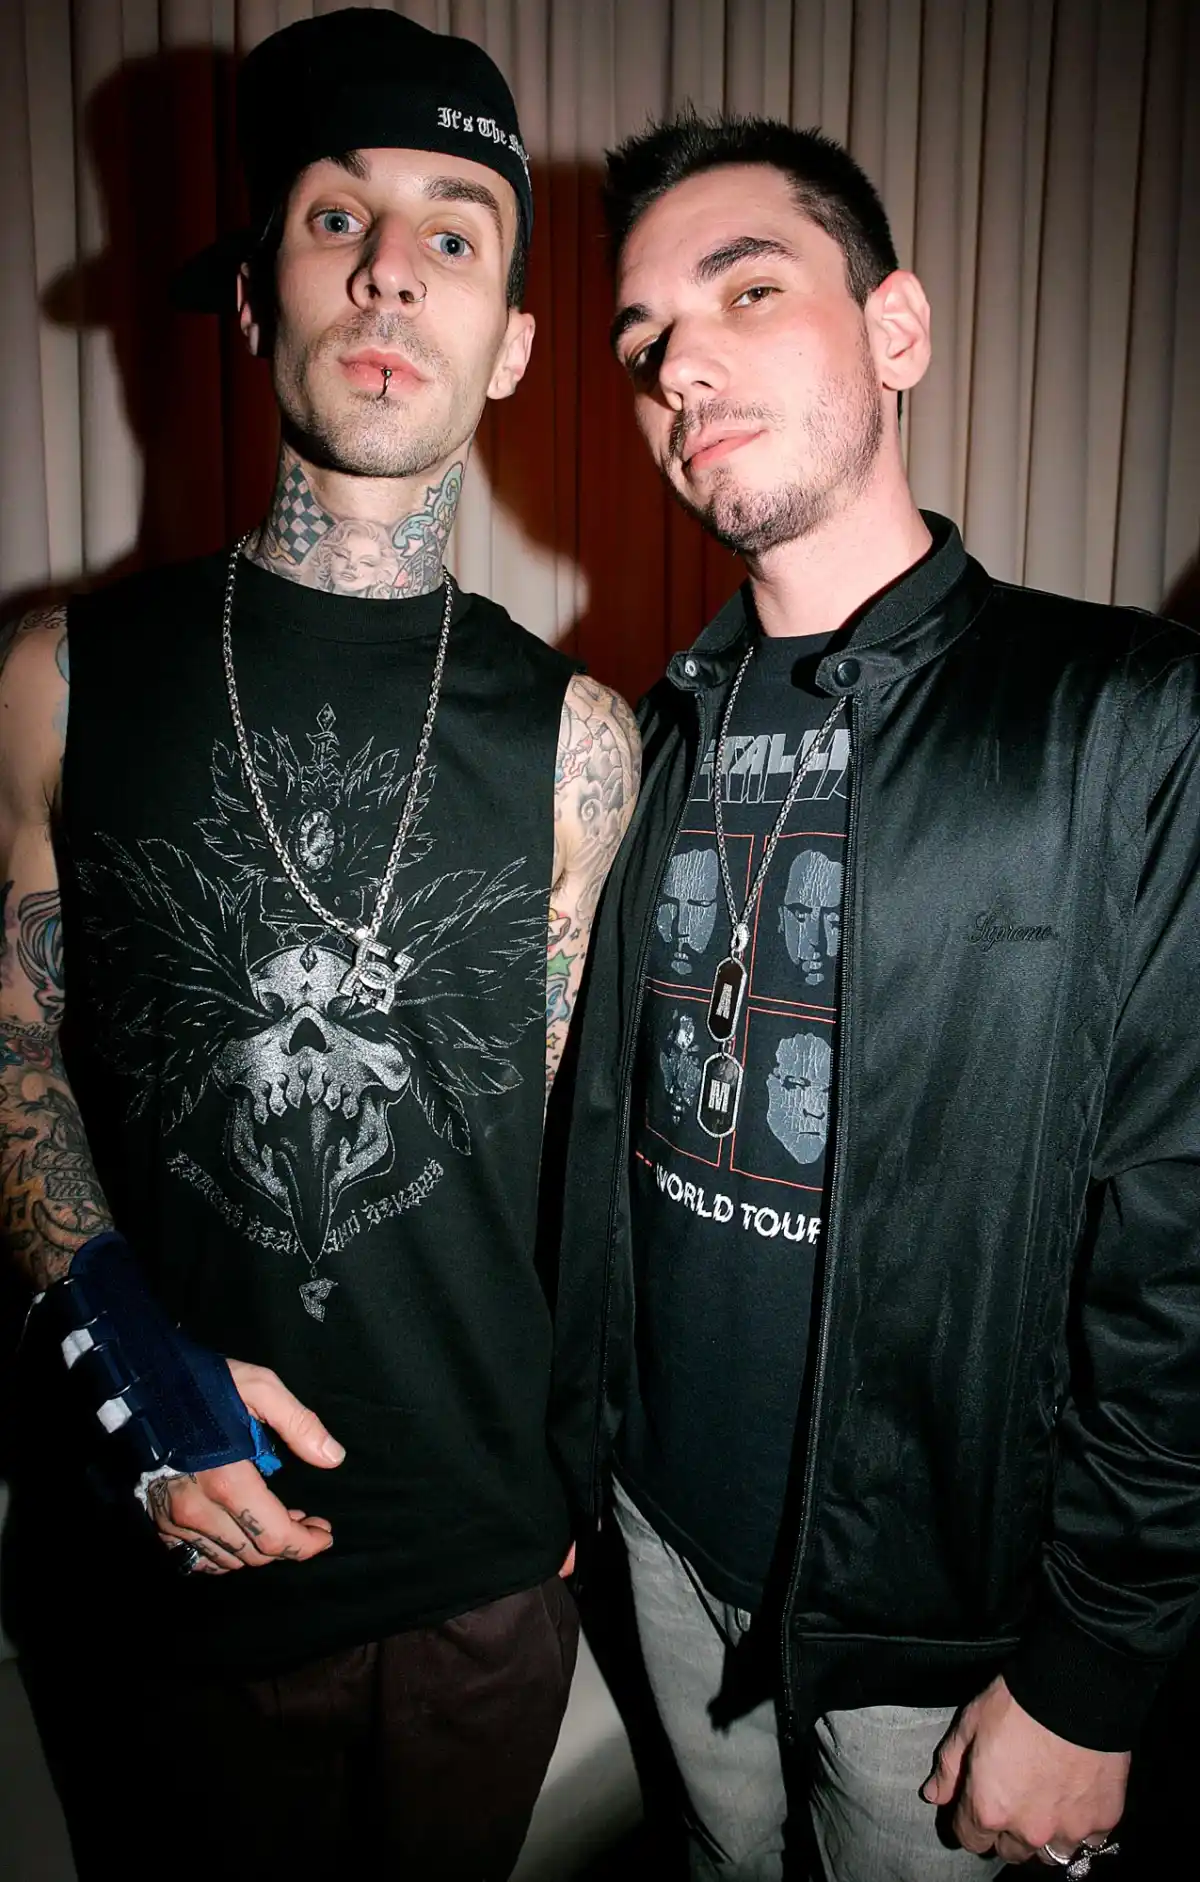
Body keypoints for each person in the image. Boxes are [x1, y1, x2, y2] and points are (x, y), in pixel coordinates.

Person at [0, 12, 637, 1877]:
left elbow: (565, 1162)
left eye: (454, 230)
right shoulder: (58, 679)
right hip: (154, 1560)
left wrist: (572, 1480)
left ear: (512, 342)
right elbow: (12, 1044)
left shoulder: (585, 743)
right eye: (336, 217)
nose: (390, 269)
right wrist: (135, 1364)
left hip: (476, 1584)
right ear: (251, 299)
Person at [548, 109, 1200, 1881]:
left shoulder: (1118, 718)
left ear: (895, 330)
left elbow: (1179, 1242)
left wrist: (1096, 1666)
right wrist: (570, 1460)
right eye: (643, 338)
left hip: (942, 1622)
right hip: (663, 1541)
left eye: (747, 289)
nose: (679, 363)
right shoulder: (644, 735)